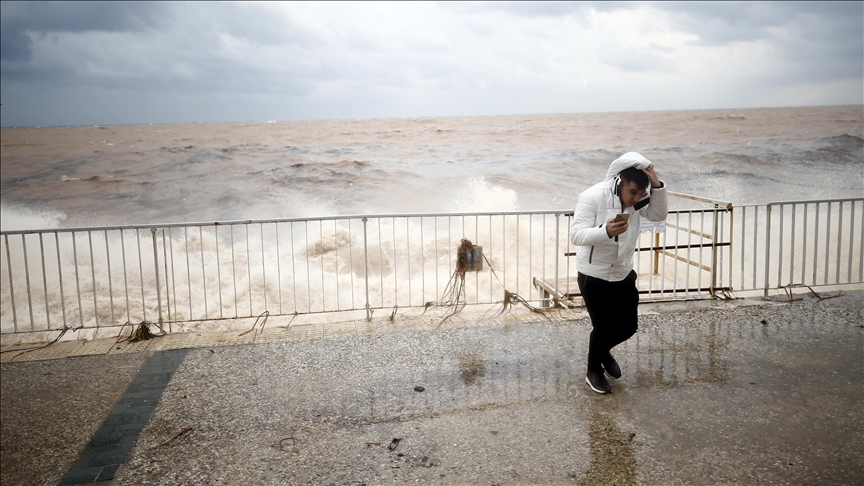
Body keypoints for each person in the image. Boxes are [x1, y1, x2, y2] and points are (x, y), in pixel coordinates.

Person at [569, 152, 667, 394]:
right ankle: (594, 370)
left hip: (623, 272)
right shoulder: (592, 197)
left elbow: (658, 215)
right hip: (594, 275)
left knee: (628, 326)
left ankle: (602, 352)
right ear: (620, 182)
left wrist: (657, 187)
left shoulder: (639, 199)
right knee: (602, 327)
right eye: (632, 192)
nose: (635, 199)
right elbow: (576, 236)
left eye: (640, 194)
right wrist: (605, 231)